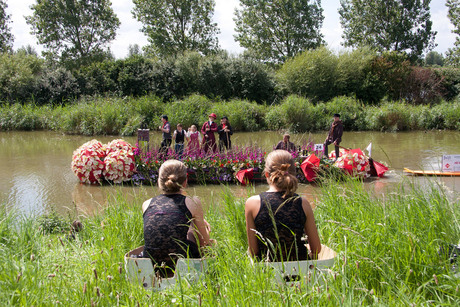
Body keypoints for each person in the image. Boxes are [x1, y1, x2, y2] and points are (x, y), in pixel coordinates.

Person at [245, 150, 321, 261]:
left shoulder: (252, 203)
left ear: (266, 174)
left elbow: (253, 251)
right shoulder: (303, 203)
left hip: (269, 273)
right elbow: (316, 249)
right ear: (294, 174)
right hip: (300, 271)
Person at [142, 160, 211, 276]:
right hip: (181, 261)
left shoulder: (147, 204)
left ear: (159, 181)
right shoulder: (192, 202)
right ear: (185, 182)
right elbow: (204, 244)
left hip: (152, 263)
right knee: (192, 231)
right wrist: (206, 230)